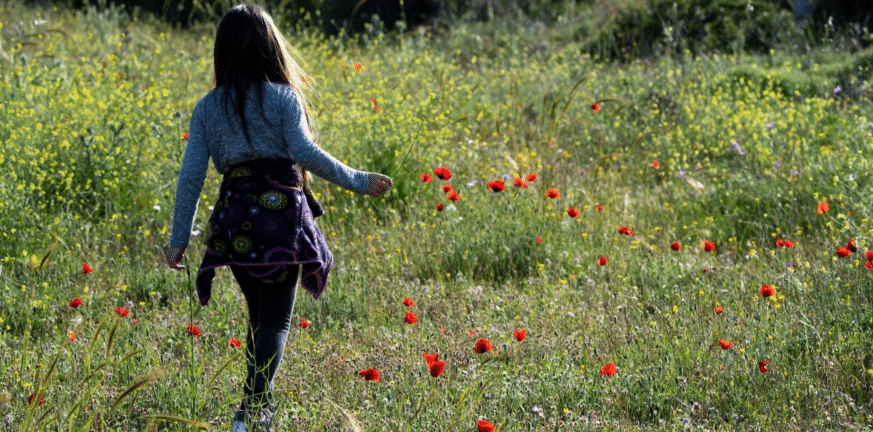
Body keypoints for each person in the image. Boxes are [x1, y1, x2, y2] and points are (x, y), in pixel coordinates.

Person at [163, 4, 392, 431]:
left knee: (258, 317)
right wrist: (359, 180)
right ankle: (252, 412)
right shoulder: (284, 97)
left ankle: (255, 410)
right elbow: (304, 154)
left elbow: (190, 176)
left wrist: (180, 237)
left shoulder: (207, 107)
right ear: (271, 48)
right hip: (282, 216)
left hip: (235, 222)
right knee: (276, 319)